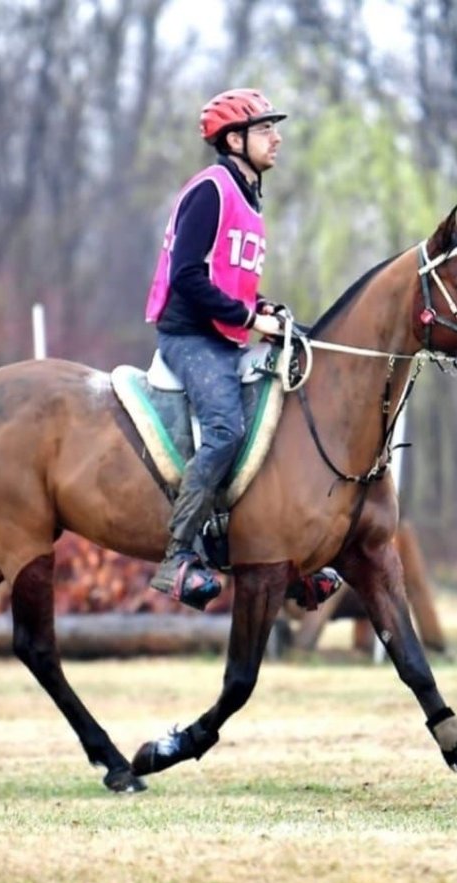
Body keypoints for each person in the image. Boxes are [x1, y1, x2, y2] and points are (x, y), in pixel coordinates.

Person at [144, 88, 288, 609]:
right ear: (234, 139)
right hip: (189, 336)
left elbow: (231, 282)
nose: (277, 137)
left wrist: (263, 308)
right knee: (226, 430)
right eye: (265, 128)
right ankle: (177, 556)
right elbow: (186, 277)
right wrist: (250, 318)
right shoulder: (211, 191)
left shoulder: (250, 196)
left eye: (275, 127)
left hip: (227, 335)